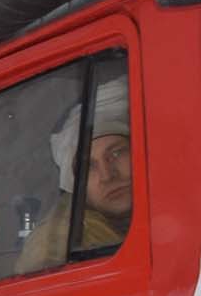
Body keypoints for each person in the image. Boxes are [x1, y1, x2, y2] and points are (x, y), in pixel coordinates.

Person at [11, 74, 134, 276]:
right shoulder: (57, 249)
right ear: (75, 185)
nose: (107, 176)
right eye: (89, 166)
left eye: (116, 153)